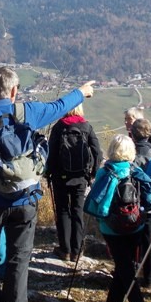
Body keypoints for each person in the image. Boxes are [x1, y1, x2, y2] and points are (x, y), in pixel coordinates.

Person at [0, 66, 95, 302]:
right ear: (14, 90)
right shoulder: (29, 112)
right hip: (25, 198)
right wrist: (81, 92)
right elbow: (60, 106)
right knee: (19, 258)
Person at [93, 134, 151, 302]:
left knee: (125, 268)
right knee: (125, 265)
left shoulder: (104, 172)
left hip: (110, 228)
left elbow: (96, 199)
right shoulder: (136, 171)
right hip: (135, 226)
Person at [46, 104, 103, 261]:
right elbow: (98, 152)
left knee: (63, 211)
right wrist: (93, 173)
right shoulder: (86, 126)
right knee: (77, 211)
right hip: (81, 178)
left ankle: (64, 250)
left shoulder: (59, 126)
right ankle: (76, 252)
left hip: (60, 177)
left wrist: (48, 172)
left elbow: (50, 151)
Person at [131, 118, 151, 287]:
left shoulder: (131, 152)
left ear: (133, 134)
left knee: (132, 238)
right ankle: (150, 278)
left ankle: (132, 272)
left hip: (133, 202)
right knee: (150, 240)